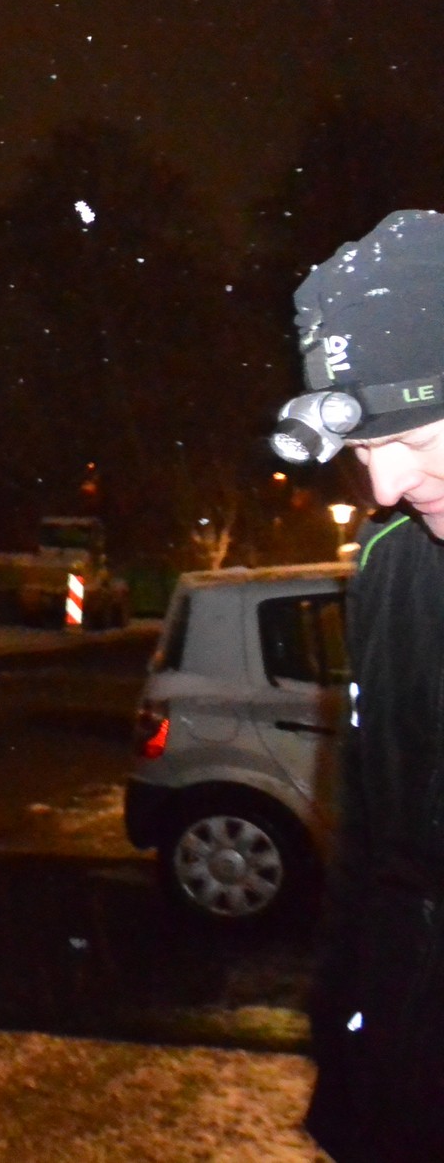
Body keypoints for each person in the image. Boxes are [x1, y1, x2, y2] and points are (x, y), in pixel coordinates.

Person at [271, 210, 444, 1162]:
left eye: (410, 436)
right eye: (364, 450)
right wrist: (346, 1060)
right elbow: (373, 849)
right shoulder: (390, 567)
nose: (383, 488)